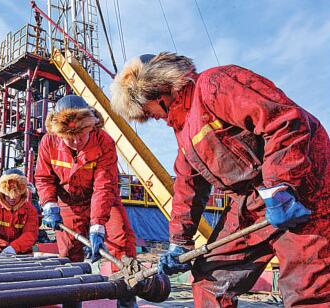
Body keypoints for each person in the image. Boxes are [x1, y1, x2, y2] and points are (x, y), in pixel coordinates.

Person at [110, 52, 330, 307]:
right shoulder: (183, 130)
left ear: (158, 90)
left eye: (146, 109)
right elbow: (187, 185)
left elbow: (283, 121)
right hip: (253, 203)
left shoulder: (214, 85)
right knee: (210, 278)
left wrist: (280, 185)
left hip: (304, 191)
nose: (151, 116)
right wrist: (179, 243)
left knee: (309, 289)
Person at [35, 95, 138, 308]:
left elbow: (104, 184)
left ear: (90, 126)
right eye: (68, 137)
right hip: (68, 202)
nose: (75, 142)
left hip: (102, 198)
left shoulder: (104, 141)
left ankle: (127, 302)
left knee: (122, 244)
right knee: (70, 254)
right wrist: (49, 204)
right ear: (58, 132)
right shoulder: (48, 142)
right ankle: (72, 303)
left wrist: (98, 223)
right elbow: (44, 177)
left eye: (81, 135)